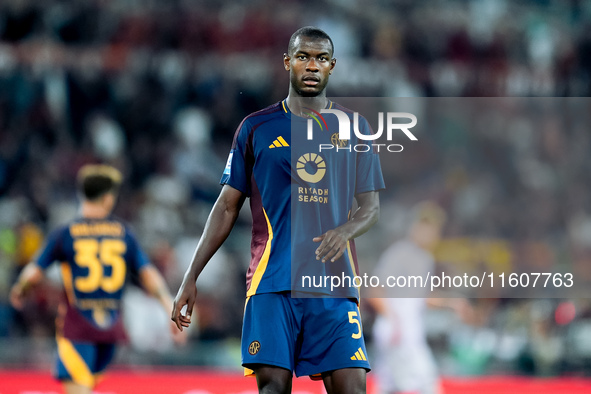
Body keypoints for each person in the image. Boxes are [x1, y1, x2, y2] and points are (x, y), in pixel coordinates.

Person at [171, 26, 384, 394]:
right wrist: (191, 275)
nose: (312, 66)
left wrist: (345, 230)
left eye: (320, 59)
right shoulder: (255, 127)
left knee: (353, 390)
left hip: (333, 286)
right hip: (272, 283)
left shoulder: (355, 128)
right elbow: (226, 207)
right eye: (303, 57)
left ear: (332, 66)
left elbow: (370, 208)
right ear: (288, 62)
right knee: (273, 391)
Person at [10, 164, 181, 394]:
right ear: (108, 198)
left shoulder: (66, 233)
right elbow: (148, 274)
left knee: (79, 389)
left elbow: (34, 272)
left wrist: (20, 289)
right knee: (86, 387)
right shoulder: (124, 233)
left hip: (77, 329)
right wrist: (169, 306)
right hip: (109, 332)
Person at [368, 202, 472, 394]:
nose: (431, 235)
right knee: (426, 382)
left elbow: (422, 298)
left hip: (408, 328)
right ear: (416, 228)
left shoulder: (425, 259)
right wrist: (393, 320)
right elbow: (375, 290)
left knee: (388, 386)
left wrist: (452, 303)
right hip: (397, 330)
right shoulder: (400, 253)